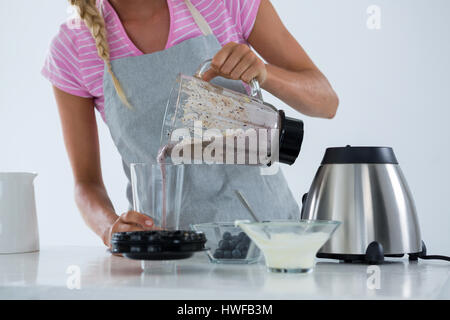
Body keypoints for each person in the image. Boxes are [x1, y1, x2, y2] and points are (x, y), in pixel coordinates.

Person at [42, 0, 339, 247]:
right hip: (169, 257)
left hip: (270, 245)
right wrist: (111, 229)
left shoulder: (223, 3)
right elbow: (86, 184)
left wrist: (264, 73)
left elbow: (326, 102)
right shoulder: (74, 47)